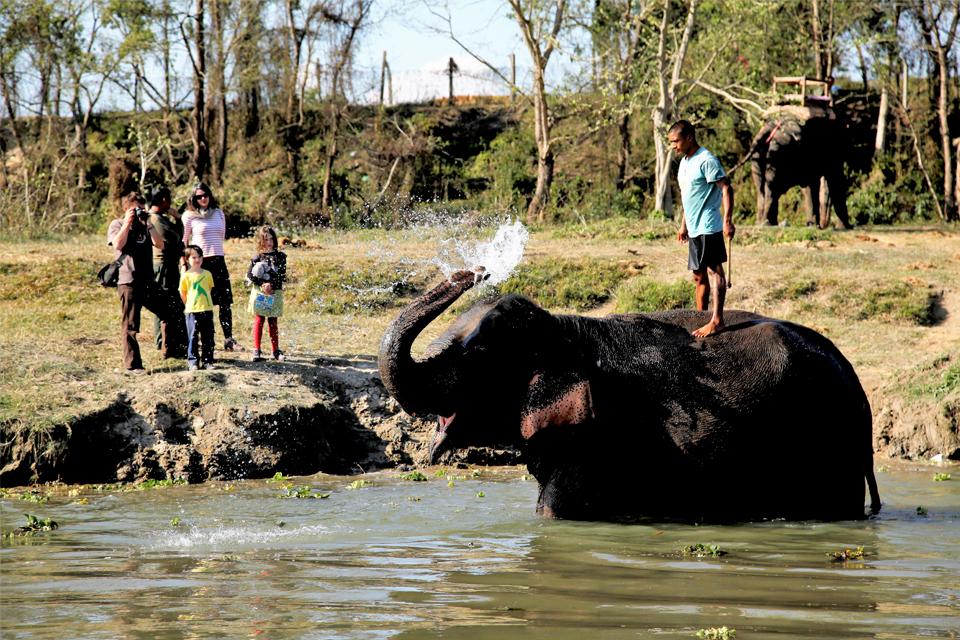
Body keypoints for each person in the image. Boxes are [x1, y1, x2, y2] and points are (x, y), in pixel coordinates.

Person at [669, 119, 736, 337]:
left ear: (689, 137)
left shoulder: (707, 160)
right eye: (671, 142)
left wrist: (727, 220)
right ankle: (701, 317)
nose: (674, 146)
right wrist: (683, 225)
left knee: (714, 271)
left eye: (676, 141)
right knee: (698, 276)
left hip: (709, 225)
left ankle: (717, 320)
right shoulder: (684, 163)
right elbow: (688, 196)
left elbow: (726, 189)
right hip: (694, 227)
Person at [107, 191, 176, 372]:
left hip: (148, 280)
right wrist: (128, 223)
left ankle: (170, 350)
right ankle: (133, 365)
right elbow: (117, 245)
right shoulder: (117, 224)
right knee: (130, 325)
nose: (138, 211)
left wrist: (148, 224)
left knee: (168, 310)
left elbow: (160, 244)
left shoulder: (145, 224)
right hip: (127, 280)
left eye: (141, 208)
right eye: (134, 208)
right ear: (126, 209)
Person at [182, 182, 243, 351]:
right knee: (201, 303)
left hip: (218, 260)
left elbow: (221, 236)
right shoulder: (189, 216)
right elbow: (185, 241)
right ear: (193, 199)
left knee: (225, 302)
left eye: (205, 195)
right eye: (199, 196)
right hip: (200, 262)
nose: (203, 199)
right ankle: (202, 339)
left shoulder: (219, 213)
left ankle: (229, 339)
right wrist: (184, 264)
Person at [147, 185, 186, 357]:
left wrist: (178, 218)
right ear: (163, 200)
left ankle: (170, 340)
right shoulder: (155, 220)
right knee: (163, 305)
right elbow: (176, 241)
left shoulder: (160, 218)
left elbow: (179, 238)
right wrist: (178, 220)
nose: (170, 203)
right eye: (169, 199)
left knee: (171, 304)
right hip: (162, 267)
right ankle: (162, 342)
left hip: (169, 266)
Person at [246, 226, 287, 362]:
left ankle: (275, 350)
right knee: (259, 319)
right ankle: (256, 350)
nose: (269, 242)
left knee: (273, 321)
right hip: (261, 292)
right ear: (261, 241)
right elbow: (250, 275)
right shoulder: (257, 257)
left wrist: (272, 286)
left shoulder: (280, 257)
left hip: (274, 292)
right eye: (265, 239)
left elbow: (281, 275)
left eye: (271, 239)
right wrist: (263, 284)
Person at [179, 245, 216, 370]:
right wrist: (189, 304)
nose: (197, 259)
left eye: (199, 256)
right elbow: (183, 292)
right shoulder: (186, 276)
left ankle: (207, 361)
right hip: (192, 311)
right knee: (193, 336)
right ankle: (193, 361)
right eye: (194, 257)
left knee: (208, 337)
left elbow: (209, 290)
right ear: (187, 259)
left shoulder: (208, 274)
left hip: (207, 309)